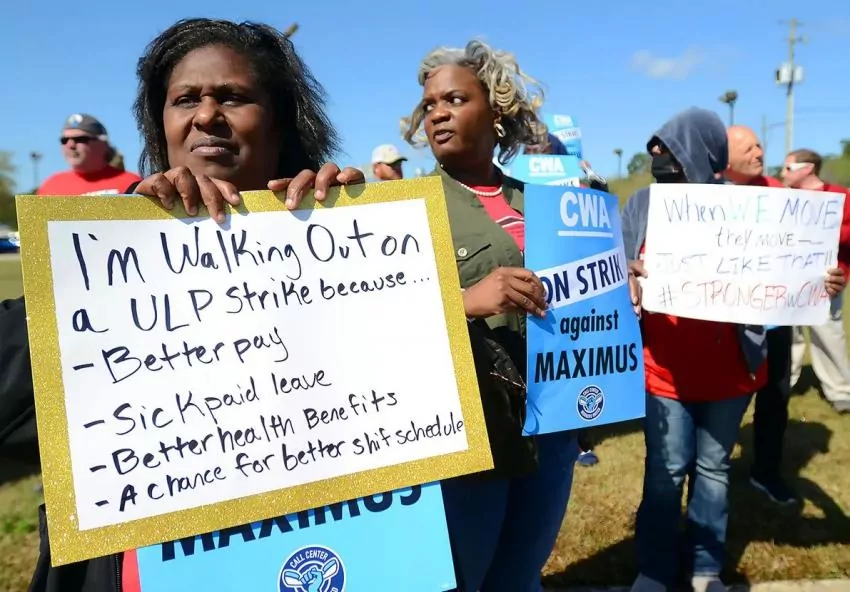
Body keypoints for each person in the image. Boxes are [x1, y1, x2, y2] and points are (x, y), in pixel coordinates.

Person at [24, 18, 363, 592]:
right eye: (185, 99)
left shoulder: (350, 239)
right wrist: (121, 247)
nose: (207, 115)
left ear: (280, 122)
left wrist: (354, 229)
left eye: (232, 97)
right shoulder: (96, 265)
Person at [622, 108, 845, 592]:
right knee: (664, 473)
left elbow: (789, 270)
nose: (657, 154)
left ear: (701, 153)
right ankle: (654, 569)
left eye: (669, 146)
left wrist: (820, 282)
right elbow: (616, 265)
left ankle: (706, 568)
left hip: (731, 373)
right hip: (663, 372)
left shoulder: (748, 206)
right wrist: (627, 274)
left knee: (713, 470)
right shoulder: (641, 203)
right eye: (654, 146)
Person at [403, 40, 578, 592]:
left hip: (551, 425)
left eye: (455, 99)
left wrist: (617, 286)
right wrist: (464, 300)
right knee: (463, 579)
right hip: (470, 431)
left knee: (522, 575)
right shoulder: (404, 208)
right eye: (429, 105)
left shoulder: (545, 204)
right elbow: (377, 319)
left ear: (496, 112)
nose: (438, 113)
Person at [725, 125, 796, 504]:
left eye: (759, 146)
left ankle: (766, 472)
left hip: (777, 318)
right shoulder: (706, 197)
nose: (759, 152)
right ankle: (712, 468)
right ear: (725, 158)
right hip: (729, 321)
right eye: (749, 148)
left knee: (775, 398)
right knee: (725, 400)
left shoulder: (780, 193)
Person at [783, 149, 850, 415]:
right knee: (790, 335)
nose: (782, 173)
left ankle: (840, 391)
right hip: (788, 280)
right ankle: (785, 383)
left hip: (827, 282)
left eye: (788, 168)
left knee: (828, 335)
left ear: (808, 168)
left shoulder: (839, 196)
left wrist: (819, 230)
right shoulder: (784, 199)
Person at [38, 114, 142, 196]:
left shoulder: (133, 183)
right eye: (64, 140)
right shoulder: (50, 188)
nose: (70, 145)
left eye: (80, 139)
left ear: (102, 143)